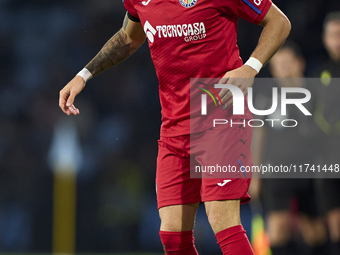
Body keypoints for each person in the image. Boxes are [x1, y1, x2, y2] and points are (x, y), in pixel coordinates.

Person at [59, 0, 291, 254]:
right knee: (172, 235)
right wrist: (83, 75)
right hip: (174, 124)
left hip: (222, 117)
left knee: (222, 221)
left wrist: (251, 67)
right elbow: (128, 37)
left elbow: (279, 22)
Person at [251, 41, 327, 255]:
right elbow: (259, 136)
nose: (282, 68)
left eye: (287, 63)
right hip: (276, 171)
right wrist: (255, 176)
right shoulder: (266, 97)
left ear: (299, 63)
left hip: (312, 170)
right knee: (277, 228)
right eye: (277, 64)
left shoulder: (317, 93)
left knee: (315, 231)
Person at [313, 11, 340, 255]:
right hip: (329, 161)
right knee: (334, 231)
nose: (338, 40)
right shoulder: (319, 73)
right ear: (325, 38)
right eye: (333, 35)